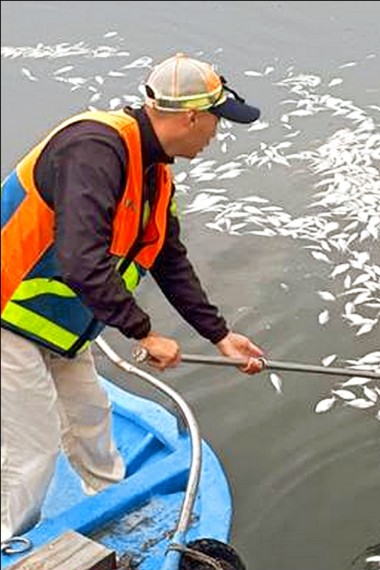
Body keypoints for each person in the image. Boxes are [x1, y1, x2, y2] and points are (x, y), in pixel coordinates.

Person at [0, 53, 267, 541]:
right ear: (190, 117)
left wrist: (221, 335)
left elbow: (168, 259)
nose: (215, 134)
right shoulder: (94, 149)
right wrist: (144, 331)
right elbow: (82, 257)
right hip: (5, 315)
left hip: (52, 323)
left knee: (91, 421)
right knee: (32, 451)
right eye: (216, 122)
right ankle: (11, 545)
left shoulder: (153, 171)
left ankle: (117, 517)